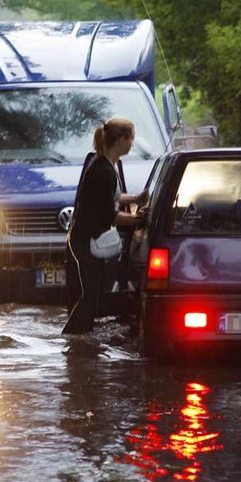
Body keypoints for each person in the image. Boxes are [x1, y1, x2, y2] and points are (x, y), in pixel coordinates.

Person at [63, 117, 146, 334]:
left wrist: (136, 198)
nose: (132, 144)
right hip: (85, 241)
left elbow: (111, 198)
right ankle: (73, 341)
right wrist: (138, 219)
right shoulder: (104, 171)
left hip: (83, 238)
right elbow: (110, 214)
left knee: (92, 294)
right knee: (89, 296)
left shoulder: (105, 164)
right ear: (121, 139)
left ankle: (79, 343)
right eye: (131, 139)